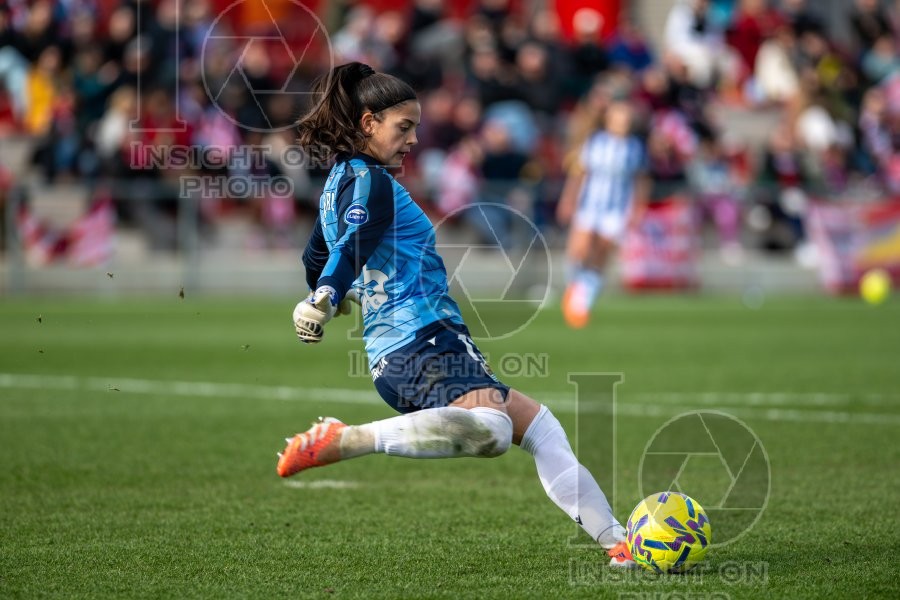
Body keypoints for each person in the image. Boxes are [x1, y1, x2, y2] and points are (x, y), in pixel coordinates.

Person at [278, 62, 634, 568]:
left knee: (540, 428)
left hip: (405, 349)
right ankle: (349, 439)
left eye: (417, 127)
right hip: (421, 340)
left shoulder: (338, 183)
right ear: (367, 124)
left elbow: (317, 257)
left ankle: (618, 544)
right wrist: (329, 297)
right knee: (489, 431)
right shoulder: (372, 182)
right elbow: (351, 247)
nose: (414, 139)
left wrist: (332, 295)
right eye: (404, 127)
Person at [556, 100, 649, 329]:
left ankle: (581, 303)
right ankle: (574, 289)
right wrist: (568, 199)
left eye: (626, 119)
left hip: (615, 209)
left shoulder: (635, 147)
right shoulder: (595, 143)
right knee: (579, 251)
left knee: (600, 254)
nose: (623, 123)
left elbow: (641, 179)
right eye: (619, 118)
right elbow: (579, 174)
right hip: (590, 205)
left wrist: (638, 207)